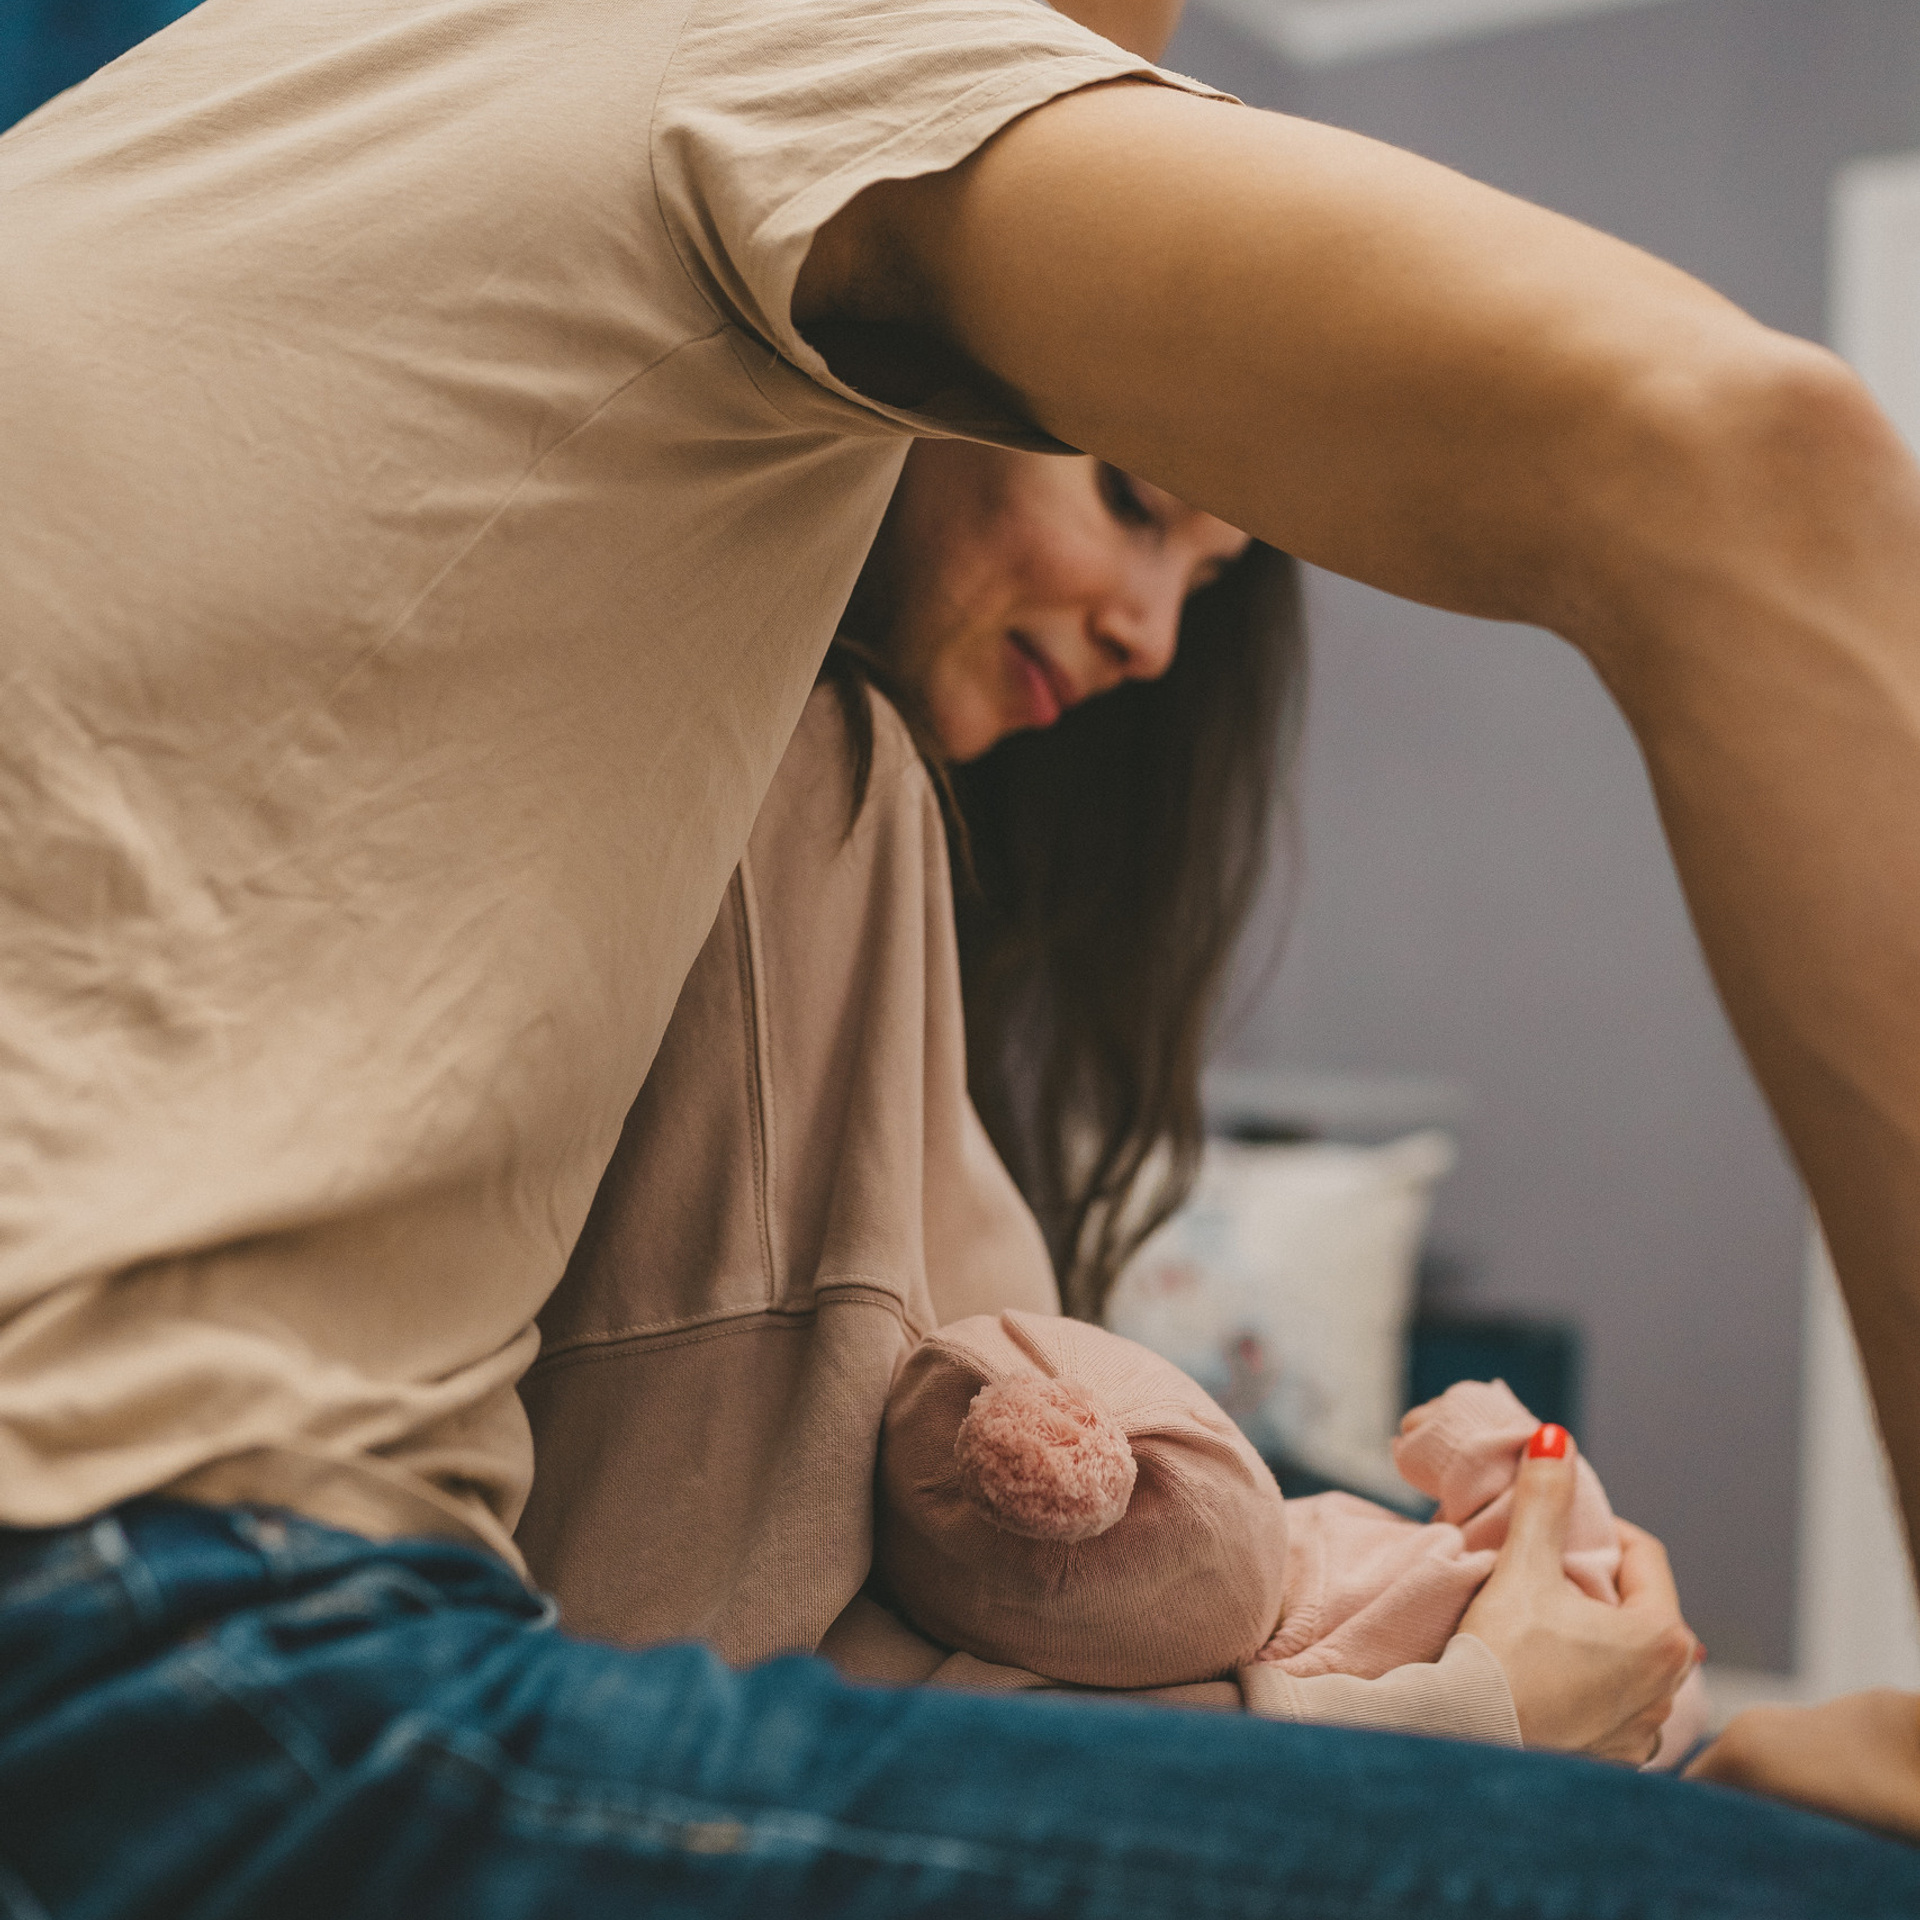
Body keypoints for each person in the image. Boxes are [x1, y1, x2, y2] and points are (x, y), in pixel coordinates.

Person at [2, 0, 1919, 1906]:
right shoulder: (784, 118)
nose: (1128, 62)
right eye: (1137, 494)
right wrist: (1501, 1737)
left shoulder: (211, 134)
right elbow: (1757, 450)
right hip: (157, 1645)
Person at [514, 433, 1691, 1767]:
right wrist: (1471, 1712)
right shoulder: (814, 784)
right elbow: (685, 1712)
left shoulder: (863, 846)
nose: (1153, 640)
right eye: (1132, 502)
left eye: (1202, 580)